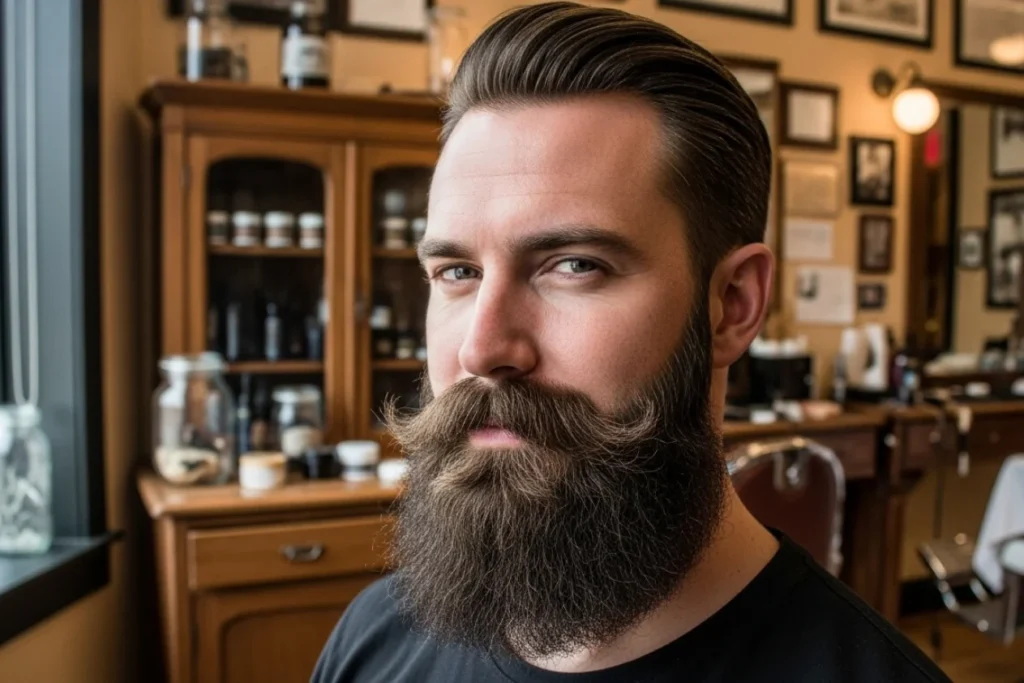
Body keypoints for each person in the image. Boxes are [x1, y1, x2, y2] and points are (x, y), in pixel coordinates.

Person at [312, 3, 951, 682]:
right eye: (458, 273)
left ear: (733, 304)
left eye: (574, 265)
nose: (482, 348)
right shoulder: (373, 639)